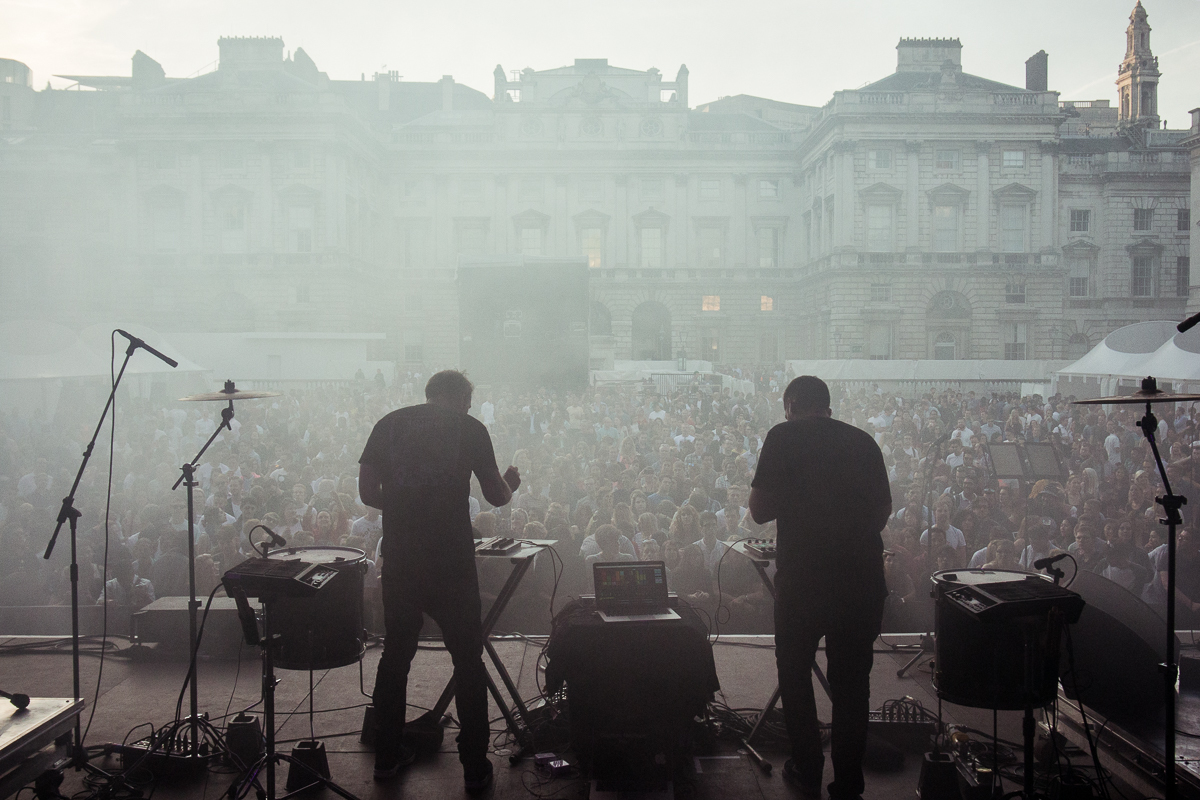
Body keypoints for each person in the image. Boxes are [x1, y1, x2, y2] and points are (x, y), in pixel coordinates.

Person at [359, 370, 520, 792]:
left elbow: (366, 492)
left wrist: (403, 504)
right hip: (451, 561)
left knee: (395, 656)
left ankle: (387, 759)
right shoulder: (470, 429)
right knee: (468, 661)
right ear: (458, 397)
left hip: (403, 558)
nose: (469, 407)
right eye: (468, 400)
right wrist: (512, 483)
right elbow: (496, 496)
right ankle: (474, 767)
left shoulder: (389, 423)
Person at [749, 376, 892, 800]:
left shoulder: (783, 436)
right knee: (852, 684)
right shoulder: (863, 441)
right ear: (826, 406)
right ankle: (849, 783)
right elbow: (882, 512)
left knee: (794, 672)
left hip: (804, 581)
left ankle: (808, 768)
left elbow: (758, 511)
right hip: (861, 582)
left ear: (791, 405)